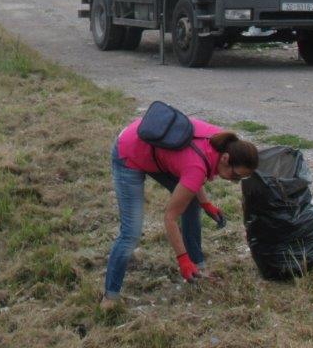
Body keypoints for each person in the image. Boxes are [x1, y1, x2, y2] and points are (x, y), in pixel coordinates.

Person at [101, 117, 259, 310]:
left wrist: (205, 202)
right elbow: (170, 217)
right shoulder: (199, 165)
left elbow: (193, 170)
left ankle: (197, 269)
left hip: (152, 147)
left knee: (190, 200)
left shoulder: (223, 141)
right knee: (130, 233)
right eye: (235, 176)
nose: (234, 181)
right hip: (129, 152)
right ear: (225, 158)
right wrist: (182, 259)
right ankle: (110, 297)